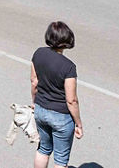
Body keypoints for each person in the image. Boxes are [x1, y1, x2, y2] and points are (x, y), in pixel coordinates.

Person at [29, 21, 82, 168]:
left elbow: (34, 82)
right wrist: (78, 123)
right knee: (60, 160)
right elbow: (71, 100)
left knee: (43, 149)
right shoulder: (68, 67)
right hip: (61, 116)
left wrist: (34, 102)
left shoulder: (38, 53)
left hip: (40, 109)